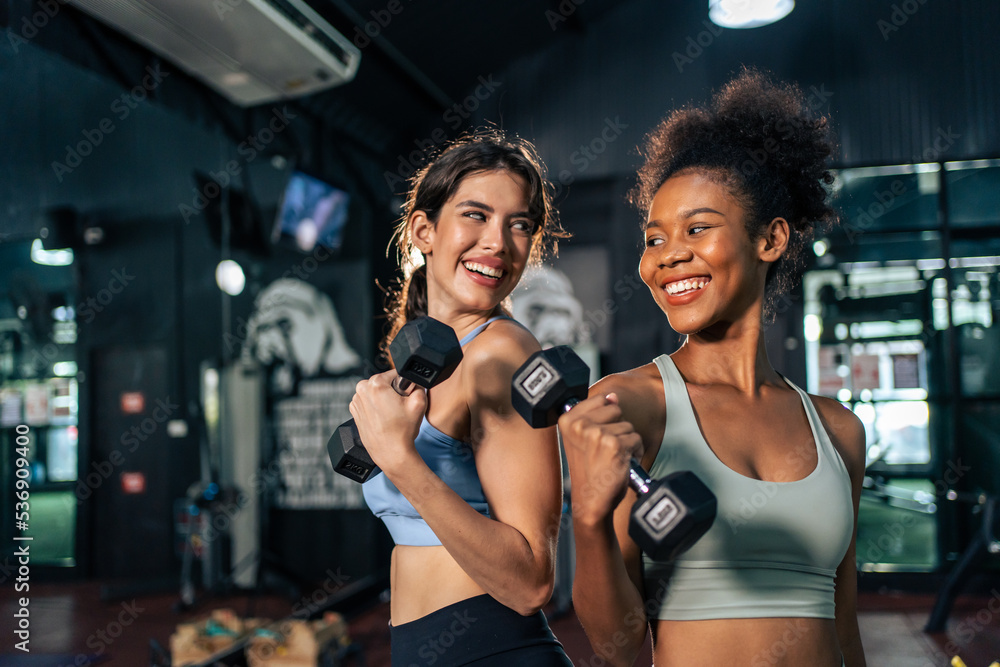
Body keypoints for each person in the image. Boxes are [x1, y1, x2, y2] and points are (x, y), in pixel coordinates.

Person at [558, 69, 868, 666]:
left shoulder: (839, 431)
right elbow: (617, 649)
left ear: (771, 239)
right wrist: (590, 519)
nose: (668, 255)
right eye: (653, 238)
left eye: (697, 228)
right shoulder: (629, 406)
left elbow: (845, 624)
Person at [348, 130, 574, 665]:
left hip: (493, 649)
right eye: (476, 215)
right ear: (425, 229)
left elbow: (531, 582)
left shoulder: (503, 352)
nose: (497, 241)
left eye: (518, 224)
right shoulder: (426, 355)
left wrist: (400, 460)